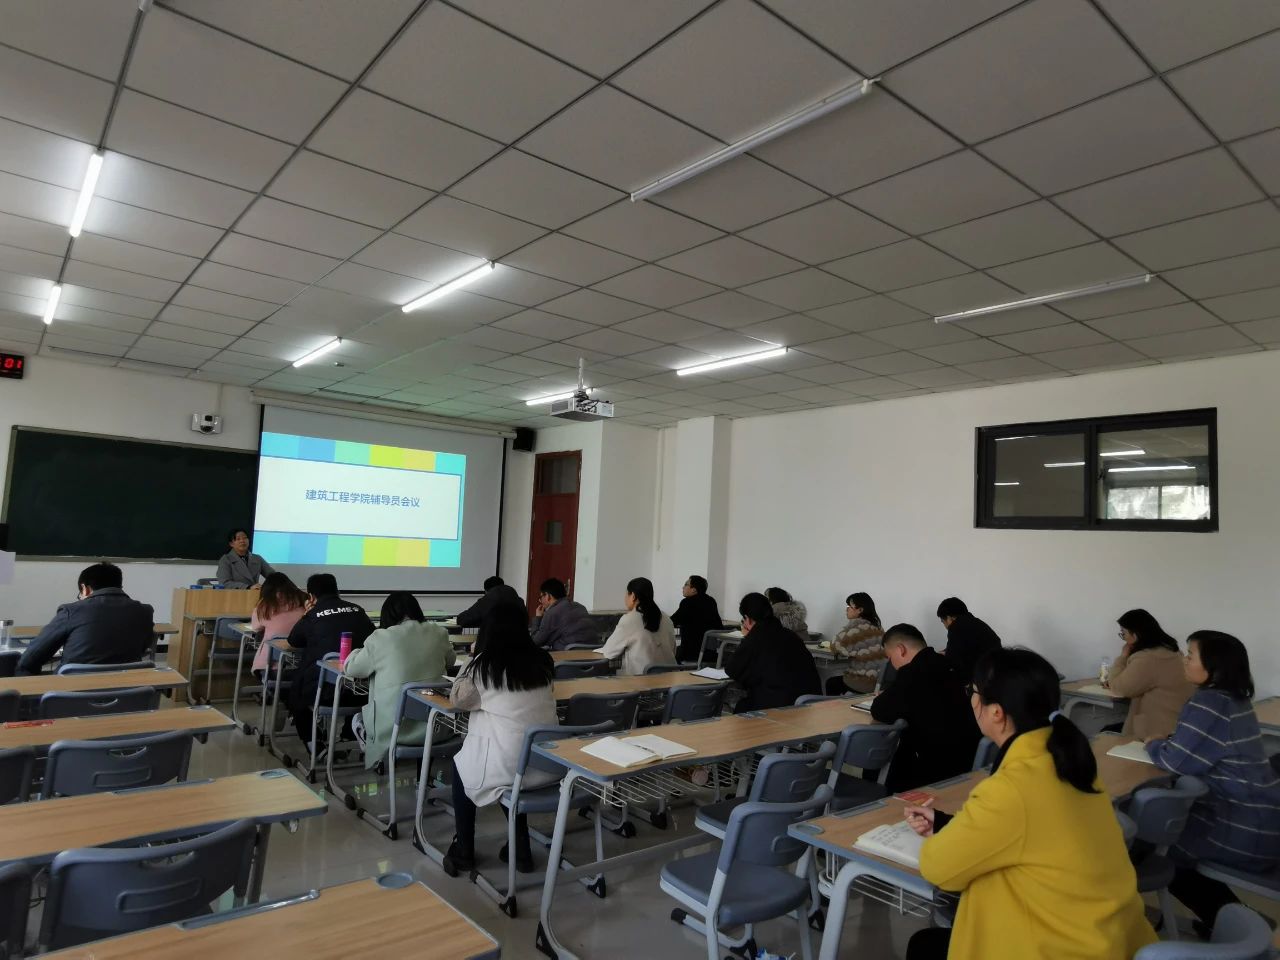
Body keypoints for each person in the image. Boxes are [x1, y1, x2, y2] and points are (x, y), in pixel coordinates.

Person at [904, 648, 1156, 960]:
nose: (970, 699)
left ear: (996, 712)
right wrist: (946, 824)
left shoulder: (1011, 787)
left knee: (925, 946)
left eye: (972, 691)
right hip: (1107, 938)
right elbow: (1033, 832)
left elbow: (938, 869)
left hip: (1057, 948)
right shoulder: (1067, 761)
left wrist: (947, 836)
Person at [1145, 630, 1280, 934]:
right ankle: (1237, 921)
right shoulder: (1235, 699)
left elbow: (1174, 761)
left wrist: (1153, 743)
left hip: (1241, 826)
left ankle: (1239, 927)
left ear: (1214, 665)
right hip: (1262, 818)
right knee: (1165, 838)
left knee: (1160, 850)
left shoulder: (1208, 702)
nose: (1184, 660)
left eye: (1190, 655)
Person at [443, 601, 557, 877]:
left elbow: (458, 698)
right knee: (508, 761)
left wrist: (472, 658)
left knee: (461, 765)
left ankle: (464, 850)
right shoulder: (543, 661)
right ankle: (521, 849)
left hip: (512, 767)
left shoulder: (485, 667)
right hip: (549, 763)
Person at [342, 591, 454, 770]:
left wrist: (355, 651)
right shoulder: (439, 633)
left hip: (393, 731)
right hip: (437, 728)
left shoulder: (381, 638)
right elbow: (451, 661)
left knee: (358, 718)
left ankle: (367, 738)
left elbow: (352, 668)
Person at [870, 623, 981, 792]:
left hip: (935, 767)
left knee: (877, 767)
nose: (891, 664)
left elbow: (879, 710)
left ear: (900, 649)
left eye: (890, 657)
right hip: (968, 756)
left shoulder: (911, 672)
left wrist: (886, 696)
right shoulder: (948, 662)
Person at [17, 562, 153, 675]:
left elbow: (30, 659)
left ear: (85, 588)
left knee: (23, 667)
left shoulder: (71, 611)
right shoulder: (145, 611)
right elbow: (143, 648)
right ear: (119, 586)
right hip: (128, 693)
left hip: (70, 694)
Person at [285, 573, 375, 743]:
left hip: (321, 691)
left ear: (311, 597)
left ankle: (315, 745)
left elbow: (293, 641)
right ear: (337, 590)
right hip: (361, 692)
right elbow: (372, 639)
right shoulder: (358, 610)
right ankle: (348, 737)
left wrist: (306, 613)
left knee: (296, 695)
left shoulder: (313, 615)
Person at [1104, 609, 1194, 739]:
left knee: (1106, 733)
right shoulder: (1170, 651)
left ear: (1135, 635)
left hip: (1158, 730)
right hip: (1175, 722)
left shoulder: (1148, 658)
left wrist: (1122, 657)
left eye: (1123, 633)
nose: (1124, 638)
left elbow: (1120, 689)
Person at [725, 592, 821, 712]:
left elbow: (732, 669)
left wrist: (747, 637)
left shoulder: (756, 637)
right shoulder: (790, 635)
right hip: (809, 704)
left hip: (778, 708)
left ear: (747, 619)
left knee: (739, 706)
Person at [598, 577, 676, 675]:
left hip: (639, 680)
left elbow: (609, 652)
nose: (625, 598)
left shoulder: (630, 619)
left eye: (627, 594)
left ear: (633, 596)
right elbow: (673, 650)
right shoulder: (666, 618)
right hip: (669, 678)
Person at [249, 572, 309, 674]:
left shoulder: (265, 606)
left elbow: (255, 627)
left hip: (270, 666)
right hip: (302, 666)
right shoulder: (304, 601)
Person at [828, 591, 885, 694]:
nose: (846, 609)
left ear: (860, 610)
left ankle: (838, 705)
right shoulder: (879, 628)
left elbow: (835, 645)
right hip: (879, 682)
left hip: (862, 682)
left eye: (849, 606)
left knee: (831, 683)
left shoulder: (856, 628)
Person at [936, 596, 1001, 682]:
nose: (945, 626)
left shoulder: (956, 627)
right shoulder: (977, 623)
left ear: (949, 618)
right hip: (997, 673)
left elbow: (952, 660)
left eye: (943, 622)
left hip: (980, 679)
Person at [530, 578, 600, 651]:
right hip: (593, 652)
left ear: (548, 596)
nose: (540, 600)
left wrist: (538, 618)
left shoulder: (552, 613)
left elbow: (535, 642)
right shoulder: (581, 607)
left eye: (541, 597)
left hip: (569, 654)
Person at [671, 575, 722, 663]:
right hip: (709, 653)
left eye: (686, 584)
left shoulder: (687, 603)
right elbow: (719, 626)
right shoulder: (711, 601)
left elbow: (672, 622)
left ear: (694, 590)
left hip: (690, 652)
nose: (683, 587)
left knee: (669, 652)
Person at [456, 576, 521, 629]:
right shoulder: (518, 600)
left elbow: (463, 619)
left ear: (487, 591)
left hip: (495, 640)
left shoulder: (488, 600)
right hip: (520, 640)